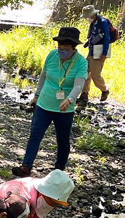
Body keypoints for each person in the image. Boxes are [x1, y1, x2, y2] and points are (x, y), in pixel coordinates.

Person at [11, 27, 88, 179]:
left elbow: (79, 84)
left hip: (64, 108)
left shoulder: (81, 63)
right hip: (44, 104)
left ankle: (59, 171)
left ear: (73, 49)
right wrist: (36, 95)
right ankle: (26, 167)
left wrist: (70, 99)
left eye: (66, 49)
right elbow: (43, 76)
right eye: (60, 48)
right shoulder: (52, 55)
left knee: (63, 140)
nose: (61, 51)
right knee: (35, 134)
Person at [78, 5, 111, 108]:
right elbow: (92, 35)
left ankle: (105, 89)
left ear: (92, 14)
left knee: (96, 76)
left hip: (99, 52)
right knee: (85, 72)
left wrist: (104, 53)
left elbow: (107, 38)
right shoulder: (93, 23)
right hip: (91, 51)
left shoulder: (103, 22)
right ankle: (84, 94)